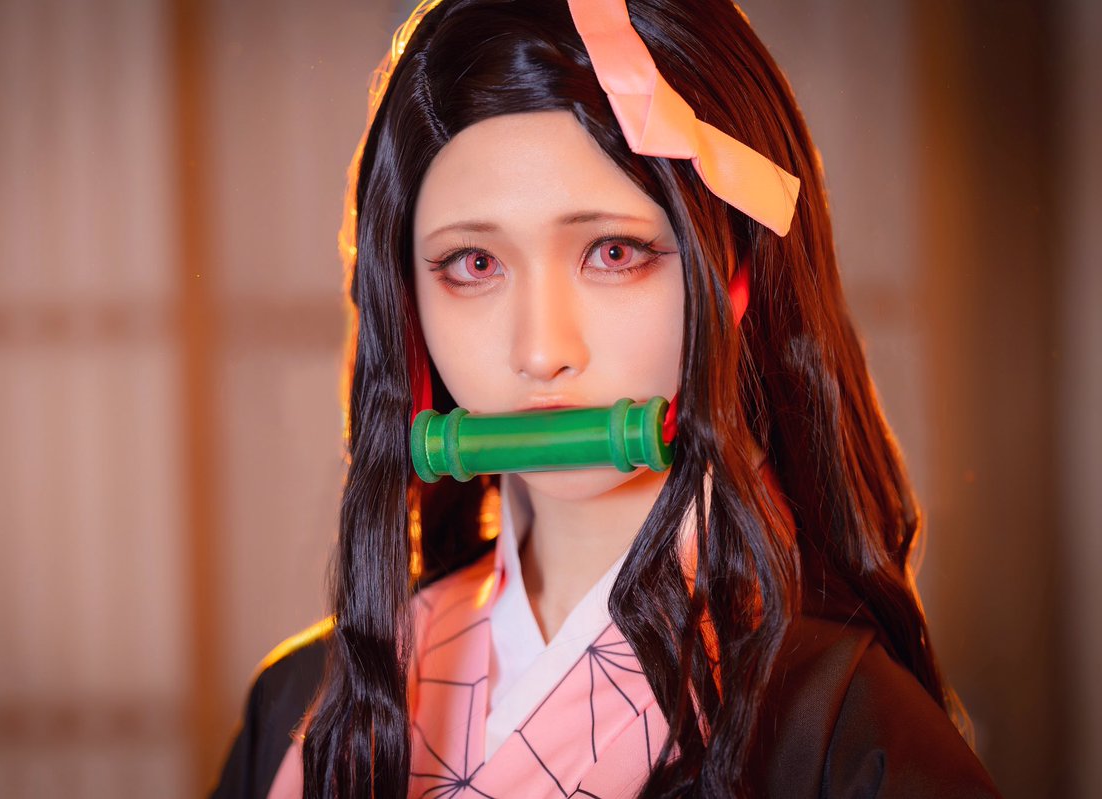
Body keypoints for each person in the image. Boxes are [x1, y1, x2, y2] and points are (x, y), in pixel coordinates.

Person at [212, 0, 1002, 796]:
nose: (541, 351)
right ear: (405, 304)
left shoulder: (840, 732)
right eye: (475, 263)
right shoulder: (304, 702)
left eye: (614, 252)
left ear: (735, 276)